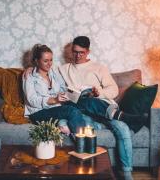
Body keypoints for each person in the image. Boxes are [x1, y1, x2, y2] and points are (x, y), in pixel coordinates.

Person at [58, 36, 134, 180]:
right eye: (75, 52)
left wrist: (99, 93)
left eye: (82, 52)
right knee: (82, 125)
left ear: (88, 52)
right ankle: (99, 126)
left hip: (102, 106)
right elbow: (47, 74)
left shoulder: (99, 68)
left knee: (122, 128)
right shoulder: (64, 69)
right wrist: (32, 69)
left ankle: (126, 173)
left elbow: (114, 90)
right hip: (84, 111)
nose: (78, 56)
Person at [22, 44, 86, 134]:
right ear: (37, 61)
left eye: (51, 60)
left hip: (56, 107)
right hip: (38, 112)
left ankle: (110, 112)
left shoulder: (54, 72)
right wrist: (54, 100)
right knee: (71, 111)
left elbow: (63, 87)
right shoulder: (29, 76)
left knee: (85, 102)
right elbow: (32, 100)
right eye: (45, 61)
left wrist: (67, 94)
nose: (49, 64)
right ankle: (83, 143)